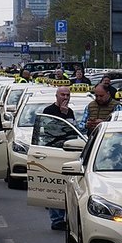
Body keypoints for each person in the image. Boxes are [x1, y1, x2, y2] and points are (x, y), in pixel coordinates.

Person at [42, 86, 75, 230]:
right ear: (56, 96)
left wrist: (66, 114)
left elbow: (72, 132)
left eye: (68, 95)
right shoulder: (48, 111)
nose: (65, 97)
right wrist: (61, 115)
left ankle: (68, 216)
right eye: (63, 94)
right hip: (53, 152)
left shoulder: (70, 112)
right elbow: (51, 131)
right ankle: (56, 219)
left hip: (68, 153)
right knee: (54, 186)